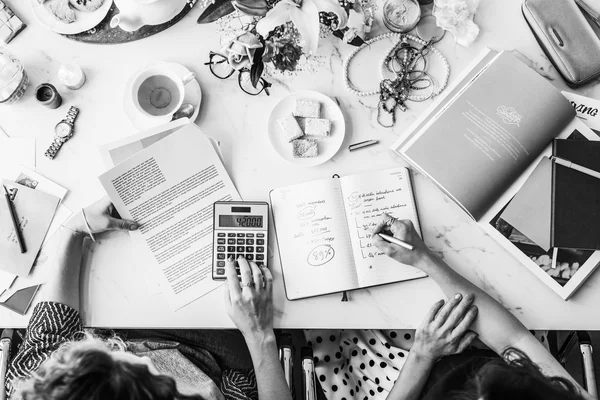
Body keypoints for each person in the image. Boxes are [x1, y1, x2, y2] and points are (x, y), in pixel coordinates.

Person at [6, 197, 292, 400]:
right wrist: (259, 333)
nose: (143, 360)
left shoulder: (37, 384)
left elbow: (50, 332)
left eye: (114, 353)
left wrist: (75, 228)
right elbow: (239, 386)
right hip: (205, 353)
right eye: (145, 374)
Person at [304, 214, 593, 400]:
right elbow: (513, 341)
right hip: (487, 352)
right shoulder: (555, 395)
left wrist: (422, 353)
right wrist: (422, 258)